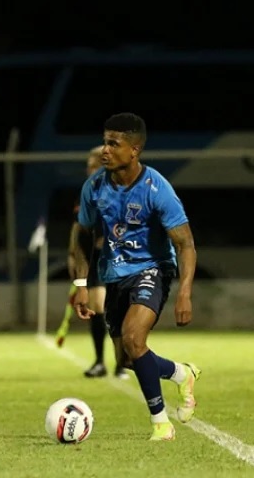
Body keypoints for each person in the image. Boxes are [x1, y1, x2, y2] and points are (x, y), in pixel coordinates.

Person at [71, 112, 200, 441]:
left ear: (135, 149)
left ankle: (161, 423)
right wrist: (82, 283)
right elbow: (81, 235)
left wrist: (185, 293)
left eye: (114, 144)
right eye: (105, 141)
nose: (105, 150)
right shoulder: (94, 187)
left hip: (152, 268)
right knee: (127, 358)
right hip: (114, 275)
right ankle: (181, 373)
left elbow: (185, 244)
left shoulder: (157, 189)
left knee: (133, 337)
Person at [55, 146, 129, 380]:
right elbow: (78, 227)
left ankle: (122, 362)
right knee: (97, 307)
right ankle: (99, 362)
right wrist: (72, 253)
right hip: (95, 259)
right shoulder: (87, 193)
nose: (89, 169)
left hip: (119, 257)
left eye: (93, 165)